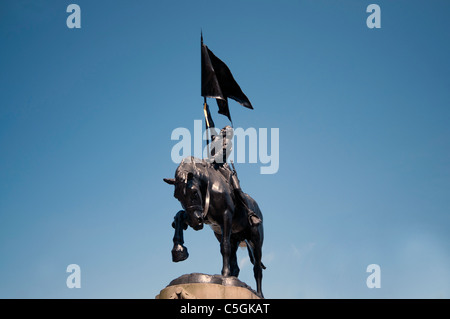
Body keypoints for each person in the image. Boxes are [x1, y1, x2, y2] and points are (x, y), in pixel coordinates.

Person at [207, 126, 262, 227]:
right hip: (211, 166)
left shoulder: (227, 143)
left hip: (223, 168)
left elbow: (220, 155)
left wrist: (213, 153)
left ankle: (250, 213)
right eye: (223, 129)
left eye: (226, 131)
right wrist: (207, 111)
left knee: (237, 190)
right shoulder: (216, 139)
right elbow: (209, 124)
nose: (223, 131)